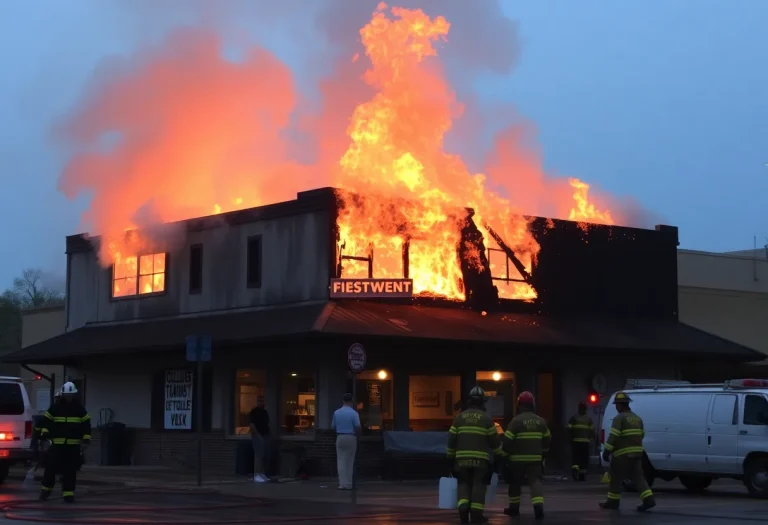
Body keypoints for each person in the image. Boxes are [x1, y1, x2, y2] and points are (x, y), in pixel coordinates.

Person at [446, 386, 504, 524]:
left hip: (461, 460)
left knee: (463, 483)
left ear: (469, 401)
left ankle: (463, 510)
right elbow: (495, 443)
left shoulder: (459, 418)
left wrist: (450, 460)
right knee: (479, 484)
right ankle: (477, 515)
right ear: (482, 402)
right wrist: (500, 457)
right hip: (481, 461)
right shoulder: (486, 419)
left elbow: (451, 440)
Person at [600, 392, 656, 512]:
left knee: (615, 477)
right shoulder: (637, 418)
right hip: (637, 453)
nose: (616, 407)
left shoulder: (619, 418)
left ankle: (613, 502)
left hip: (622, 454)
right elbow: (642, 435)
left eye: (616, 405)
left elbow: (613, 436)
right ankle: (648, 499)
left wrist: (606, 451)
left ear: (620, 405)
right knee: (638, 477)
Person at [38, 382, 91, 503]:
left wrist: (86, 438)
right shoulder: (55, 408)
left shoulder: (80, 409)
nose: (68, 397)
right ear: (63, 395)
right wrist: (44, 433)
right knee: (50, 469)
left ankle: (68, 494)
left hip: (72, 446)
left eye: (70, 395)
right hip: (56, 445)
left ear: (74, 395)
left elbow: (86, 425)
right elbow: (46, 422)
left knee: (70, 471)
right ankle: (45, 491)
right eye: (66, 395)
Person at [502, 391, 550, 520]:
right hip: (535, 459)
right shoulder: (541, 421)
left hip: (516, 460)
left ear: (519, 405)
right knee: (535, 481)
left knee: (515, 483)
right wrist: (543, 453)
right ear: (532, 405)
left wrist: (504, 454)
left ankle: (514, 508)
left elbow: (507, 441)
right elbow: (547, 439)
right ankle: (538, 506)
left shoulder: (516, 421)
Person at [331, 393, 360, 490]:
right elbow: (357, 427)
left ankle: (342, 483)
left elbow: (333, 427)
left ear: (343, 400)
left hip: (340, 436)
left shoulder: (336, 412)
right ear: (351, 401)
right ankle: (349, 483)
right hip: (351, 437)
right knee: (350, 461)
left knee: (341, 461)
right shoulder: (354, 413)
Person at [568, 401, 594, 481]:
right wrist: (591, 440)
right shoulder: (588, 419)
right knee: (583, 459)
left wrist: (570, 439)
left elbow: (569, 429)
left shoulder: (574, 418)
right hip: (584, 443)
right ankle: (581, 475)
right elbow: (592, 431)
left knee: (576, 458)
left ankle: (576, 472)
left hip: (576, 442)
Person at [248, 396, 271, 483]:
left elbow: (267, 423)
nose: (261, 403)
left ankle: (262, 473)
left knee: (265, 454)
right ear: (257, 402)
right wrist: (257, 434)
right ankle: (256, 474)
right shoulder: (254, 412)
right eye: (260, 401)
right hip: (257, 435)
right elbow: (251, 424)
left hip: (265, 434)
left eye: (263, 401)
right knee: (259, 455)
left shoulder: (265, 412)